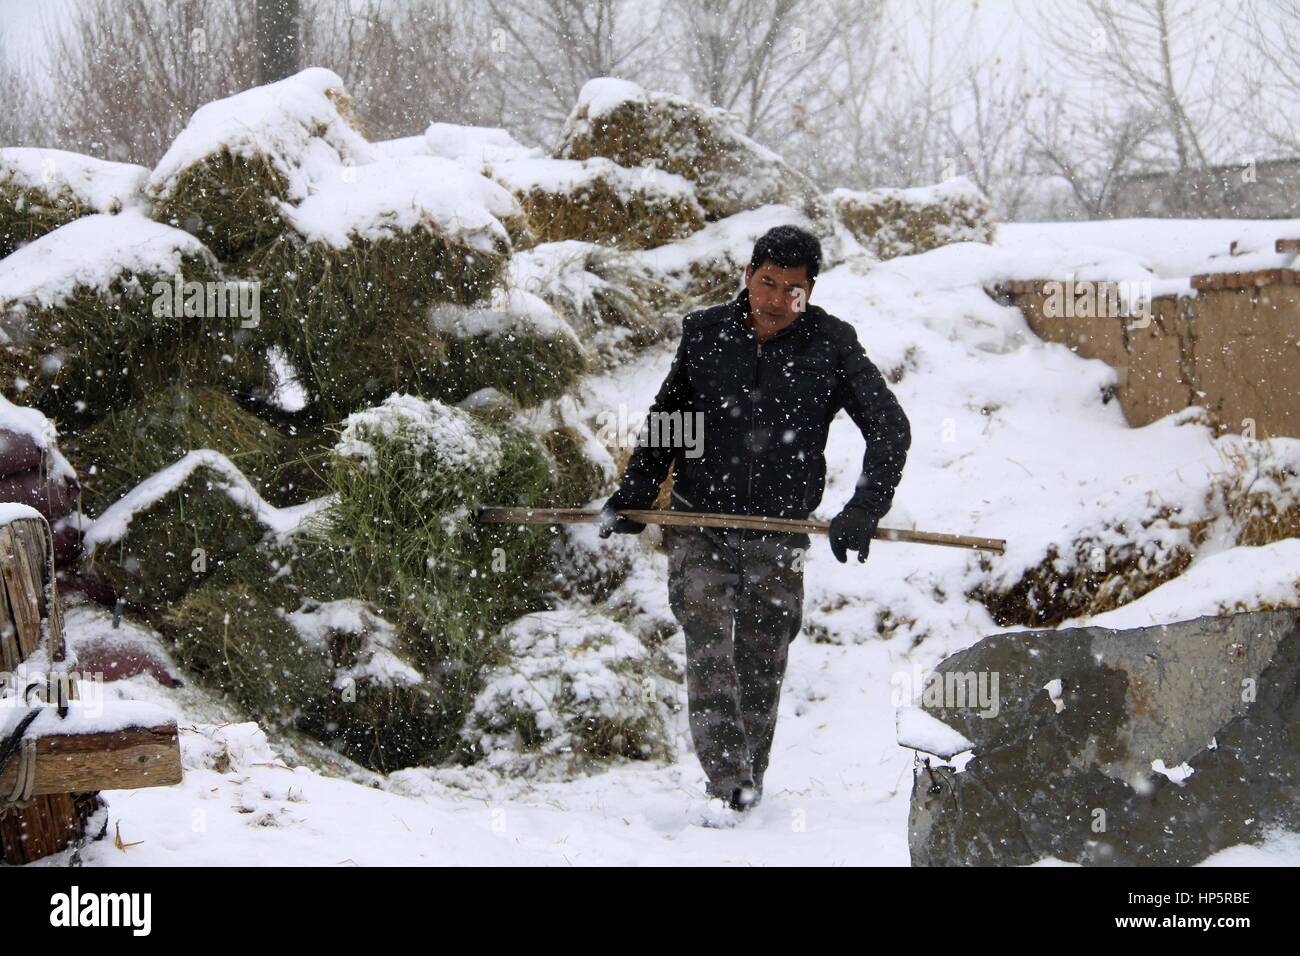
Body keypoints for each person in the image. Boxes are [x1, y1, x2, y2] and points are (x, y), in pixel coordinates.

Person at [598, 224, 911, 812]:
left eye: (792, 290)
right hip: (700, 524)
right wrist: (637, 493)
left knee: (761, 666)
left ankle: (748, 785)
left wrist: (865, 507)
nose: (775, 300)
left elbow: (889, 427)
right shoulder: (707, 334)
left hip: (779, 533)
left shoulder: (832, 345)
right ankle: (730, 789)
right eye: (767, 282)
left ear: (809, 291)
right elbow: (673, 418)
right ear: (747, 275)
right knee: (710, 655)